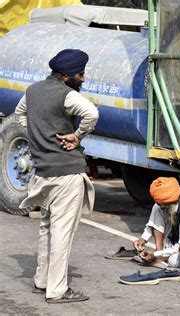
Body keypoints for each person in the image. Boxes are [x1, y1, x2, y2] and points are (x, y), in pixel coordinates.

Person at [15, 49, 99, 303]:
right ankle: (57, 290)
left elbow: (20, 115)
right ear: (65, 75)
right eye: (80, 74)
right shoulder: (67, 95)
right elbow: (92, 114)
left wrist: (37, 137)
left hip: (43, 172)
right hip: (66, 173)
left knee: (47, 227)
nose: (83, 78)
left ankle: (42, 280)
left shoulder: (32, 91)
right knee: (62, 231)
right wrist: (77, 136)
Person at [132, 177, 180, 268]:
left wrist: (156, 255)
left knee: (174, 262)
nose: (161, 207)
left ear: (170, 202)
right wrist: (142, 239)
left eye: (163, 205)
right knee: (157, 207)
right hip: (173, 241)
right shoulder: (164, 204)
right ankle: (159, 252)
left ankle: (159, 256)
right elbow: (153, 223)